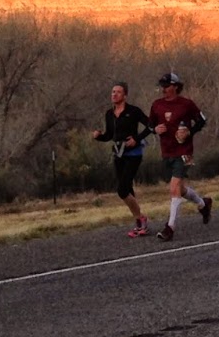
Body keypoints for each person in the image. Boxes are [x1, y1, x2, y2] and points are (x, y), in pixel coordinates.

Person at [148, 72, 212, 241]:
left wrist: (190, 131)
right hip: (167, 151)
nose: (164, 89)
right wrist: (155, 129)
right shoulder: (157, 105)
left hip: (185, 152)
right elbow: (150, 125)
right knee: (180, 190)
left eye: (167, 86)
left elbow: (202, 120)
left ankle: (170, 228)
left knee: (173, 188)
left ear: (175, 86)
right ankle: (203, 204)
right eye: (162, 86)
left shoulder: (186, 104)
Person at [91, 81, 154, 238]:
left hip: (133, 154)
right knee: (128, 190)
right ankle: (139, 224)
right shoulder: (109, 114)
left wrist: (137, 139)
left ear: (125, 95)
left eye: (118, 92)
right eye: (113, 92)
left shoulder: (133, 111)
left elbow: (151, 126)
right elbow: (109, 136)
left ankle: (142, 220)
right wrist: (99, 137)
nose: (114, 94)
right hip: (119, 154)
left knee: (122, 190)